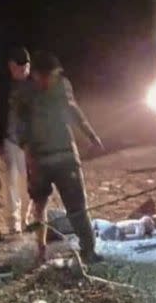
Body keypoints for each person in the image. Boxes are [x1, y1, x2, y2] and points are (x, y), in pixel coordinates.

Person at [16, 50, 104, 263]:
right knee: (40, 206)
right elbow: (21, 128)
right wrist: (28, 156)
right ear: (36, 74)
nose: (51, 79)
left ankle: (88, 250)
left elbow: (74, 111)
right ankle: (41, 250)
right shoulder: (25, 93)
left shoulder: (63, 86)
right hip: (39, 160)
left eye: (54, 75)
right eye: (47, 75)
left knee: (77, 207)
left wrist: (92, 136)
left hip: (65, 157)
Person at [0, 46, 33, 233]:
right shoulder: (0, 86)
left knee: (29, 185)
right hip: (8, 141)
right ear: (11, 66)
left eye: (25, 68)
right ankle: (13, 225)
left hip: (29, 144)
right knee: (9, 184)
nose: (22, 72)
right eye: (18, 68)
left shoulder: (33, 86)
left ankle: (26, 219)